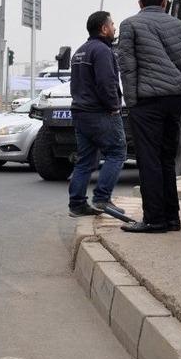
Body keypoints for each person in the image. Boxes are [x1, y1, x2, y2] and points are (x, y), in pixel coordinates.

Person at [116, 0, 181, 233]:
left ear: (140, 3)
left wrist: (132, 102)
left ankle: (154, 219)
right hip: (175, 98)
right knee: (167, 157)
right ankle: (172, 218)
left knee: (149, 159)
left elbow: (127, 67)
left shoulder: (130, 25)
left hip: (147, 101)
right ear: (164, 2)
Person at [67, 11, 127, 217]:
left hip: (81, 113)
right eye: (112, 24)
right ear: (103, 28)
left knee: (85, 160)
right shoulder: (102, 51)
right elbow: (106, 82)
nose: (114, 28)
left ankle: (76, 204)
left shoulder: (80, 51)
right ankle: (102, 198)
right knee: (117, 153)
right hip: (100, 113)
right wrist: (114, 106)